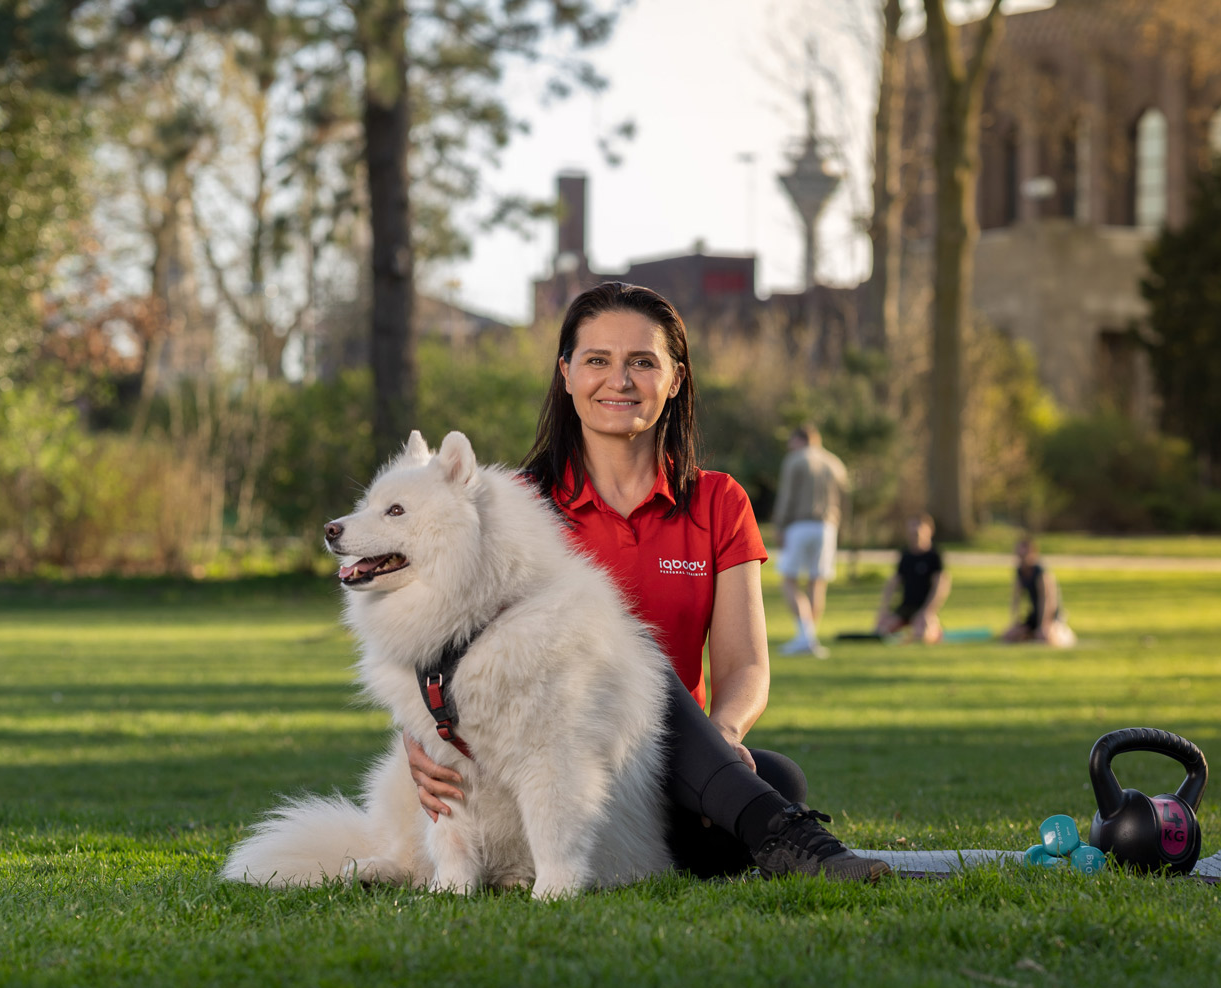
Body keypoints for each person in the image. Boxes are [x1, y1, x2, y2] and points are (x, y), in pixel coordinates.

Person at [404, 282, 889, 883]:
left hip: (665, 771)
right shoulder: (514, 507)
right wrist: (416, 741)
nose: (620, 380)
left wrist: (721, 740)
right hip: (543, 771)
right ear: (565, 374)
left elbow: (745, 666)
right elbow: (432, 635)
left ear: (676, 379)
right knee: (623, 657)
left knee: (776, 775)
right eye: (597, 360)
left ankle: (704, 816)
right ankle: (797, 843)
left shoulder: (719, 501)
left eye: (642, 362)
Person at [769, 423, 847, 658]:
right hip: (827, 526)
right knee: (817, 582)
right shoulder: (834, 462)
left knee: (789, 580)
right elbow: (845, 499)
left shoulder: (795, 460)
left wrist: (779, 524)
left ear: (799, 439)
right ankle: (809, 638)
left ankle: (805, 636)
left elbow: (787, 496)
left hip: (799, 525)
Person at [873, 514, 951, 644]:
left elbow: (941, 586)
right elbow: (893, 583)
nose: (914, 534)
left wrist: (927, 612)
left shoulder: (934, 556)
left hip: (924, 609)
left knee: (922, 635)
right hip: (906, 608)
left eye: (917, 530)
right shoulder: (906, 555)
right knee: (880, 632)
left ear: (929, 531)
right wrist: (884, 610)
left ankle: (934, 629)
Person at [1000, 537, 1076, 648]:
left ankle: (1061, 632)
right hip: (1034, 615)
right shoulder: (1020, 571)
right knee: (1008, 636)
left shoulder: (1040, 571)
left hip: (1049, 615)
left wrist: (1043, 625)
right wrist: (1015, 623)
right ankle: (1032, 634)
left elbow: (1047, 600)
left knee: (1044, 637)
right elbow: (1016, 598)